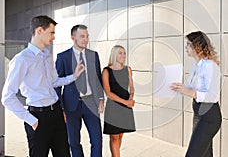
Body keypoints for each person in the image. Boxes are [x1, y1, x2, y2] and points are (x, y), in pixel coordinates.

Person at [1, 15, 85, 157]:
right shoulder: (22, 59)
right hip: (38, 118)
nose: (53, 37)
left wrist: (74, 76)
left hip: (56, 114)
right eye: (51, 33)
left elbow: (54, 82)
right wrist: (31, 120)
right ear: (40, 30)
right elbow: (7, 97)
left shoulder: (47, 55)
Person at [55, 25, 104, 157]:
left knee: (97, 140)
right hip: (71, 106)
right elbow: (57, 84)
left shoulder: (93, 55)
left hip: (91, 104)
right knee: (74, 142)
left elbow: (98, 80)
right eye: (82, 36)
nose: (86, 39)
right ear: (73, 37)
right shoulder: (63, 57)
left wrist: (100, 99)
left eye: (87, 36)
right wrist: (61, 108)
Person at [170, 31, 222, 157]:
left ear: (196, 46)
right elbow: (191, 88)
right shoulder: (196, 65)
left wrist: (189, 92)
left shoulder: (210, 66)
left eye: (188, 44)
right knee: (205, 154)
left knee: (193, 154)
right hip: (198, 113)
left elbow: (213, 96)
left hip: (209, 117)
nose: (185, 47)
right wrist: (180, 87)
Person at [102, 45, 136, 157]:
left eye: (124, 53)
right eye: (120, 53)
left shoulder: (128, 69)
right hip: (113, 108)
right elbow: (108, 93)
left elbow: (131, 87)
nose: (123, 55)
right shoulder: (106, 71)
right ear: (114, 54)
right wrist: (126, 102)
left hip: (125, 107)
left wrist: (131, 97)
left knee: (120, 135)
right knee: (114, 137)